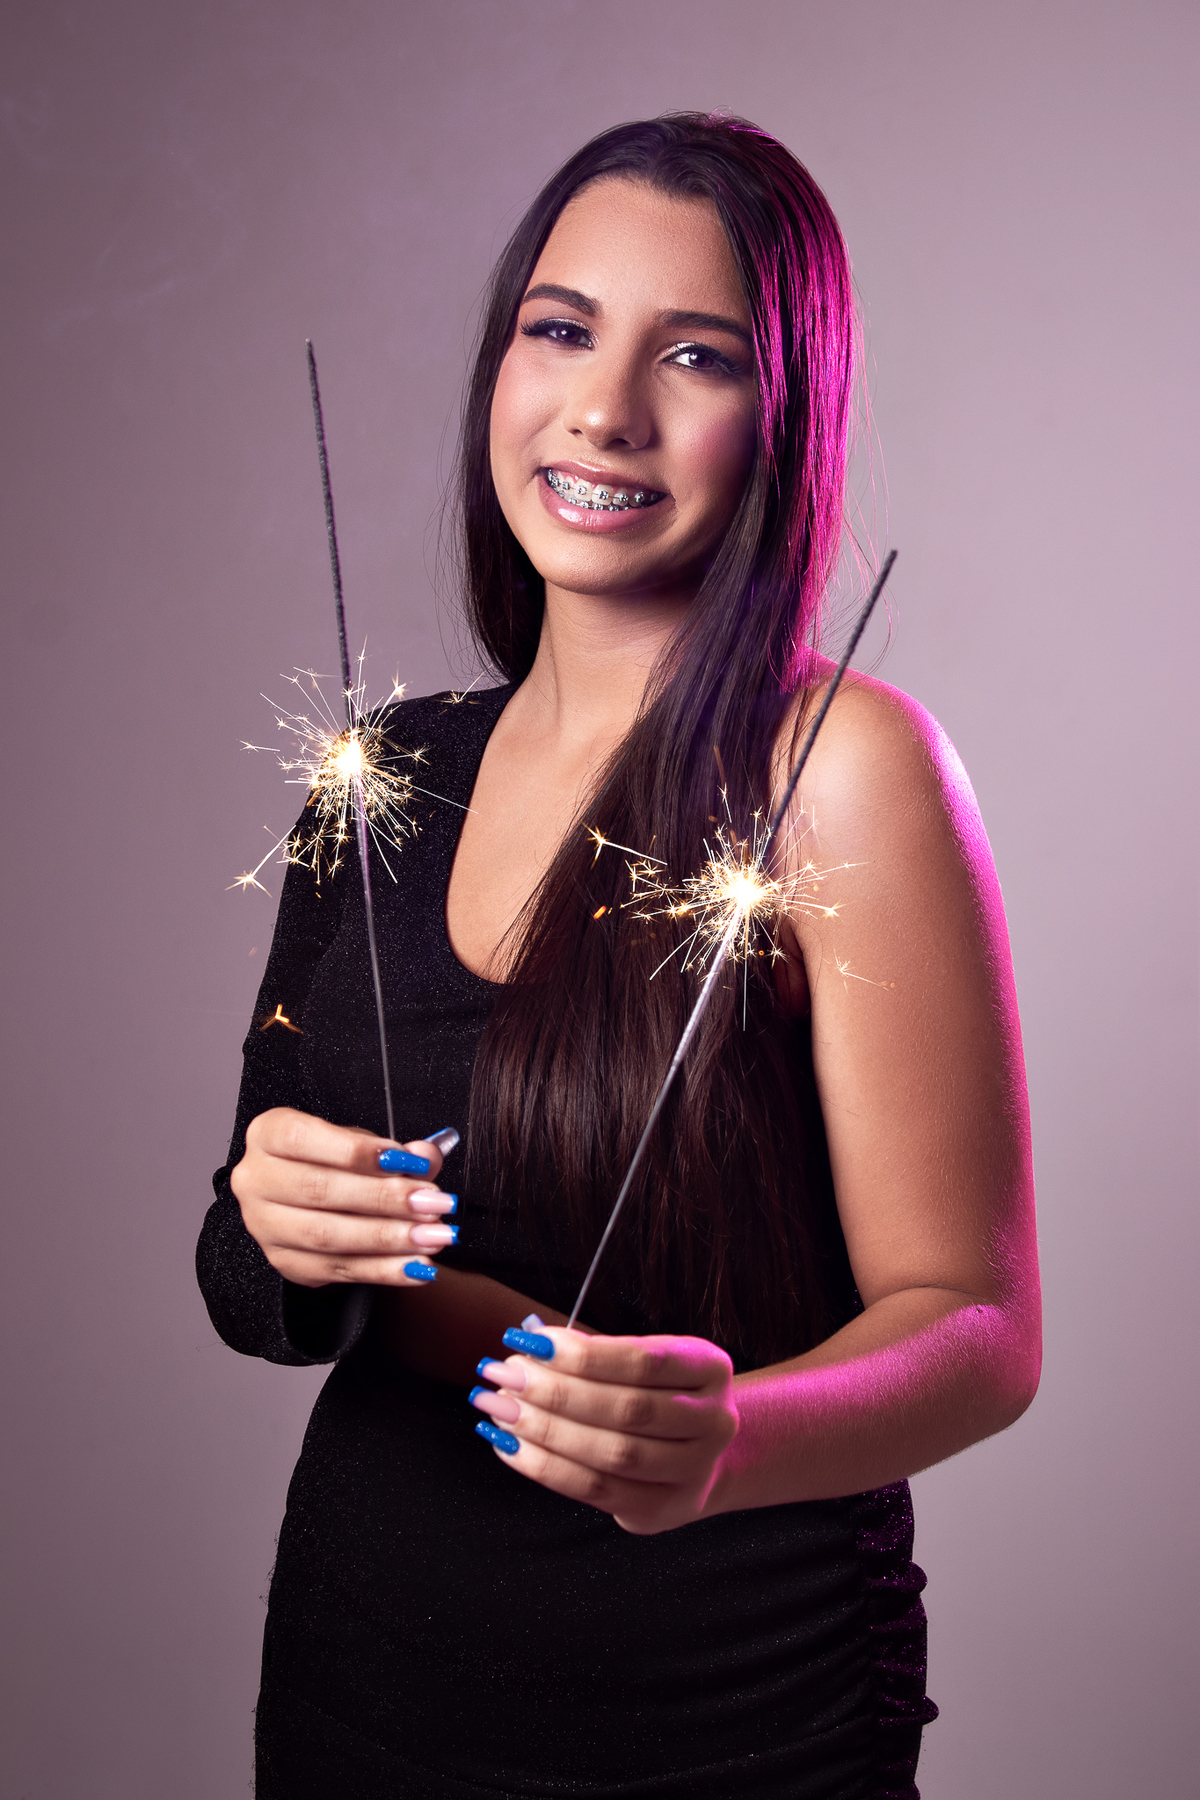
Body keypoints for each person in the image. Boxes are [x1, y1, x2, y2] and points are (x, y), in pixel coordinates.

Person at [197, 113, 1040, 1799]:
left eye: (697, 356)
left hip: (737, 1709)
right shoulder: (379, 774)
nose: (606, 410)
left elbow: (979, 1326)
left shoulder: (835, 768)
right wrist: (276, 1222)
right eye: (561, 329)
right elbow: (247, 1287)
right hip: (366, 1684)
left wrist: (727, 1442)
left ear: (777, 414)